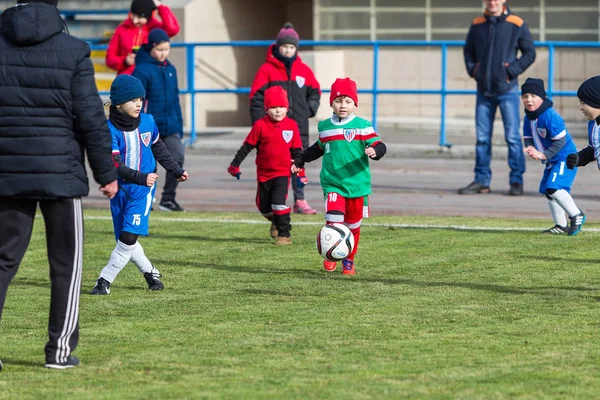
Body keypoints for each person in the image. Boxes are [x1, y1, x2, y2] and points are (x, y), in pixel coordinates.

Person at [0, 0, 119, 370]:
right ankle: (59, 352)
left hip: (7, 172)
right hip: (61, 174)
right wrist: (107, 174)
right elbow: (90, 117)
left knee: (2, 262)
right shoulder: (74, 50)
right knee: (66, 266)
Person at [90, 75, 189, 295]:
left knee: (128, 238)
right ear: (117, 104)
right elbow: (114, 164)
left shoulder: (148, 121)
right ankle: (151, 273)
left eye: (140, 99)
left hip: (143, 191)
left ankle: (103, 281)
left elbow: (159, 148)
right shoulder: (109, 130)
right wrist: (139, 177)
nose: (138, 104)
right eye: (132, 100)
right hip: (121, 189)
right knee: (125, 239)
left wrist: (175, 170)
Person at [291, 78, 387, 275]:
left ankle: (348, 260)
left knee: (353, 226)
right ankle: (330, 256)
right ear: (331, 103)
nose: (343, 105)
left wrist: (375, 151)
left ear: (355, 103)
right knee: (333, 222)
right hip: (333, 184)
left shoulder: (362, 125)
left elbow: (380, 145)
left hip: (357, 185)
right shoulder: (325, 126)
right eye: (338, 100)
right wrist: (301, 160)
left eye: (348, 101)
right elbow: (318, 148)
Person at [459, 0, 536, 196]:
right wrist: (474, 70)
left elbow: (529, 53)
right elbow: (468, 51)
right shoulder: (477, 24)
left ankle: (516, 181)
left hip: (507, 90)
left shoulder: (516, 23)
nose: (492, 2)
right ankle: (481, 180)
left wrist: (510, 72)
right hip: (483, 91)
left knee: (512, 138)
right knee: (482, 139)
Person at [249, 22, 321, 214]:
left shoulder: (304, 70)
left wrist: (310, 108)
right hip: (272, 131)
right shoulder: (267, 70)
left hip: (298, 128)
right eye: (285, 47)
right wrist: (259, 124)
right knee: (274, 167)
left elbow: (315, 91)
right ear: (278, 47)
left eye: (292, 47)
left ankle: (300, 200)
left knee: (298, 164)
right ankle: (275, 201)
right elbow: (256, 97)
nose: (288, 51)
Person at [227, 86, 302, 245]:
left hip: (282, 173)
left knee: (278, 202)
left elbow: (297, 152)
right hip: (263, 173)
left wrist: (300, 170)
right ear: (266, 109)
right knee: (263, 207)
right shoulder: (260, 125)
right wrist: (235, 165)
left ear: (287, 108)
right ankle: (274, 219)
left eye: (281, 107)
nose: (277, 111)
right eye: (273, 107)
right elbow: (246, 146)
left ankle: (284, 234)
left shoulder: (292, 126)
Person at [520, 78, 585, 235]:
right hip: (552, 160)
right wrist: (530, 148)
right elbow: (527, 136)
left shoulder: (550, 116)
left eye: (533, 96)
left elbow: (560, 141)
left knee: (554, 187)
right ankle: (561, 225)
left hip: (564, 158)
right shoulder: (529, 117)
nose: (529, 100)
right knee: (548, 191)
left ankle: (576, 214)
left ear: (542, 97)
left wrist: (543, 154)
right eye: (525, 96)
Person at [133, 28, 185, 212]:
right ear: (151, 48)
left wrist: (179, 125)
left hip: (170, 126)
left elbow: (175, 100)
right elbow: (136, 101)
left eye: (166, 49)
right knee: (149, 164)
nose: (163, 53)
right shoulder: (142, 70)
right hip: (149, 127)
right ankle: (146, 198)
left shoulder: (171, 69)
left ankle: (168, 199)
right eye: (160, 49)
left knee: (177, 156)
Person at [105, 0, 180, 76]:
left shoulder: (155, 29)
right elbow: (109, 59)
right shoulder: (121, 29)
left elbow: (172, 29)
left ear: (148, 17)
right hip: (128, 78)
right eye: (133, 15)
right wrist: (125, 61)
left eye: (139, 17)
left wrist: (160, 7)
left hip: (150, 77)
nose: (135, 20)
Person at [567, 76, 600, 215]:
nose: (580, 107)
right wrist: (580, 158)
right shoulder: (593, 124)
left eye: (583, 103)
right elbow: (594, 148)